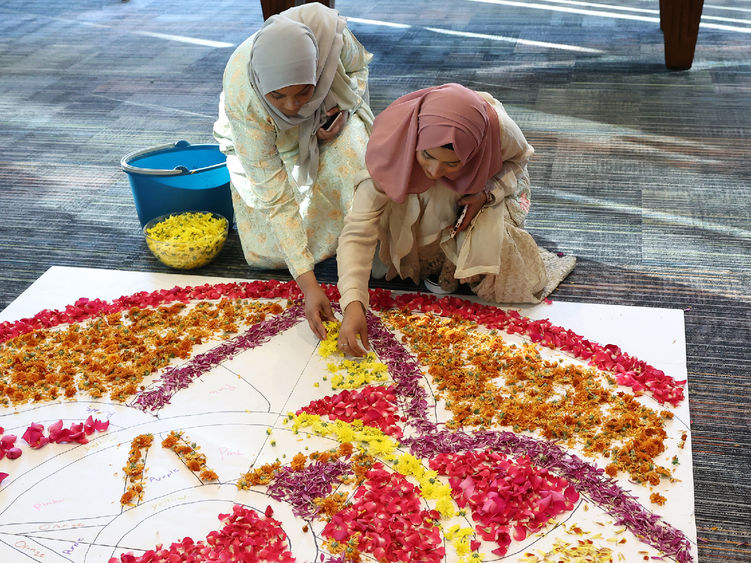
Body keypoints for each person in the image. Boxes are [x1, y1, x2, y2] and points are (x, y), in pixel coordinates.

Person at [335, 83, 575, 356]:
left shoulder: (497, 131)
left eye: (451, 163)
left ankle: (451, 255)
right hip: (411, 181)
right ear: (415, 140)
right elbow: (358, 229)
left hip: (478, 185)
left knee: (491, 253)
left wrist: (487, 194)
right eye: (427, 155)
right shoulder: (393, 146)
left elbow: (517, 163)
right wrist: (353, 303)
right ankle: (432, 253)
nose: (435, 170)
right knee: (373, 261)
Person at [213, 3, 374, 340]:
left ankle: (357, 248)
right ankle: (313, 253)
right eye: (279, 95)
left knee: (355, 164)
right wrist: (309, 286)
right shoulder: (247, 99)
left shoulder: (332, 40)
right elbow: (274, 197)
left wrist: (343, 107)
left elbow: (358, 73)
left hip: (330, 116)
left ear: (318, 68)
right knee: (268, 253)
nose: (291, 106)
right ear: (262, 87)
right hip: (263, 136)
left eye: (304, 90)